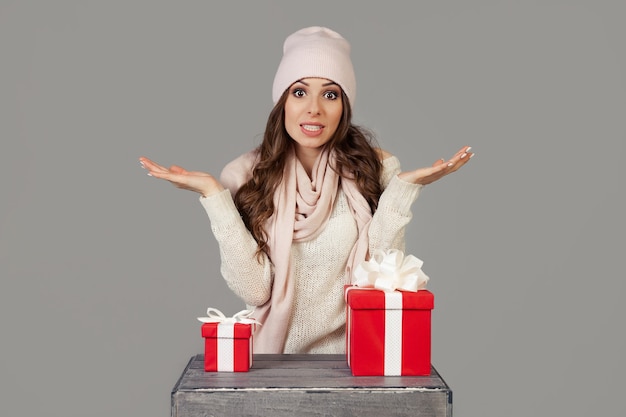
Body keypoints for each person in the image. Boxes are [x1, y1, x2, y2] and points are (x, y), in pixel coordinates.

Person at [139, 26, 473, 354]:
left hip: (357, 364)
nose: (314, 108)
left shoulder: (377, 168)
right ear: (282, 101)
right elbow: (254, 290)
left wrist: (403, 190)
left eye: (330, 94)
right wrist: (213, 196)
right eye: (299, 92)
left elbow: (386, 275)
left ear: (344, 106)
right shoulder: (244, 175)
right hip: (272, 366)